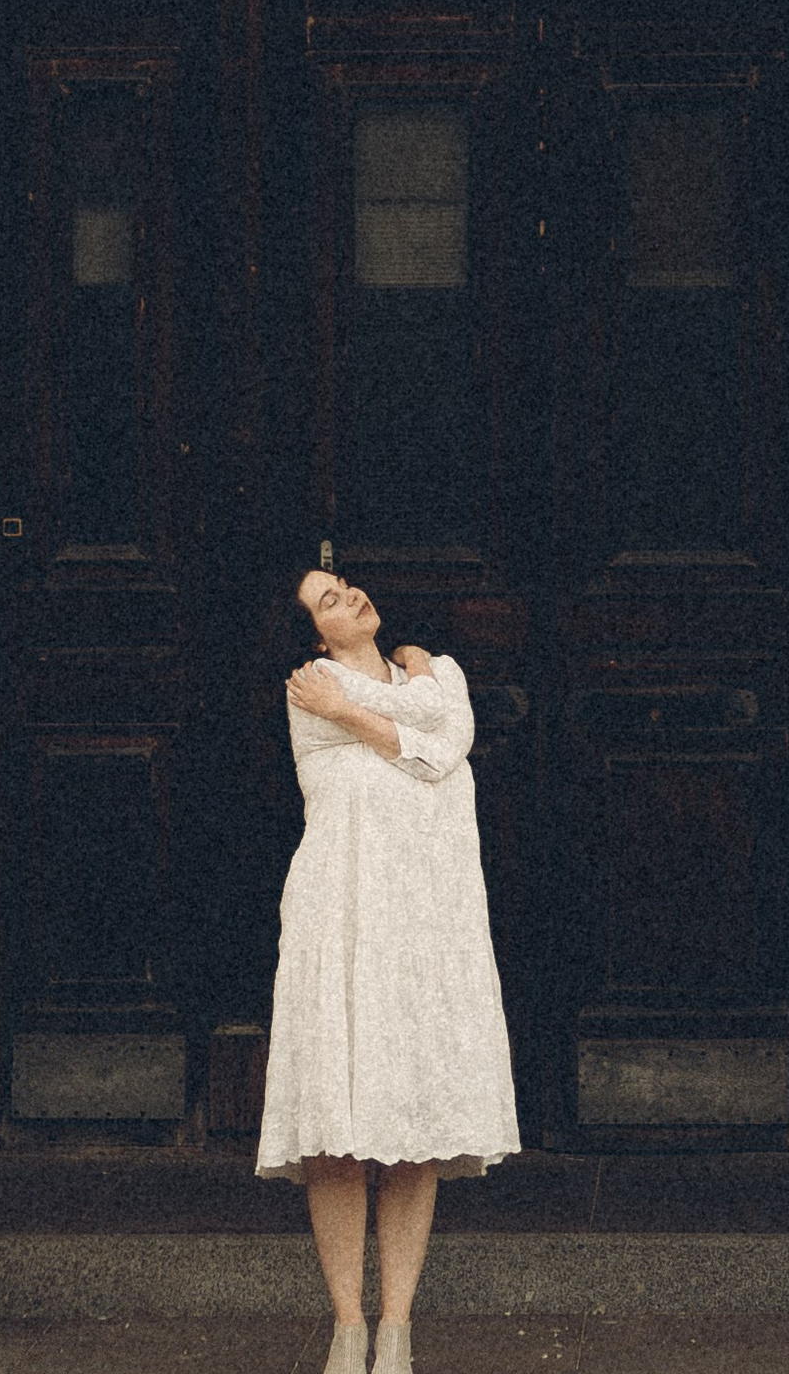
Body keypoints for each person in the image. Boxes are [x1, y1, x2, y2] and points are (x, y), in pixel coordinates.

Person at [258, 559, 521, 1374]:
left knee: (415, 1128)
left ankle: (397, 1327)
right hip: (341, 916)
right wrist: (389, 707)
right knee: (336, 1129)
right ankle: (347, 1325)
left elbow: (453, 744)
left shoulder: (435, 672)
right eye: (327, 601)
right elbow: (432, 738)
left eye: (345, 585)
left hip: (424, 923)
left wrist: (373, 709)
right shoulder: (310, 693)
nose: (350, 597)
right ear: (314, 637)